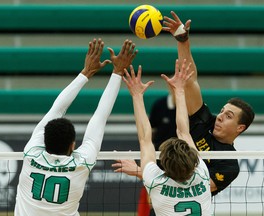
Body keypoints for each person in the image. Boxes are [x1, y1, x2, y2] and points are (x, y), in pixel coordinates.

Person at [14, 38, 138, 216]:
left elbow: (56, 110)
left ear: (44, 139)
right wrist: (117, 72)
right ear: (73, 145)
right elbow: (99, 118)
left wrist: (85, 73)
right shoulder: (81, 162)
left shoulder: (31, 152)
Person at [162, 11, 255, 196]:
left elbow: (198, 188)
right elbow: (189, 80)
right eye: (222, 111)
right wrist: (182, 41)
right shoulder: (206, 121)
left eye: (228, 116)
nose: (220, 116)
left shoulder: (229, 163)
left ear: (240, 128)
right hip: (161, 199)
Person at [121, 59, 211, 215]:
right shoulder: (202, 174)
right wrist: (180, 90)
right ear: (192, 160)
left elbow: (145, 139)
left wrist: (137, 96)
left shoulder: (155, 181)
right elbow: (183, 132)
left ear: (164, 163)